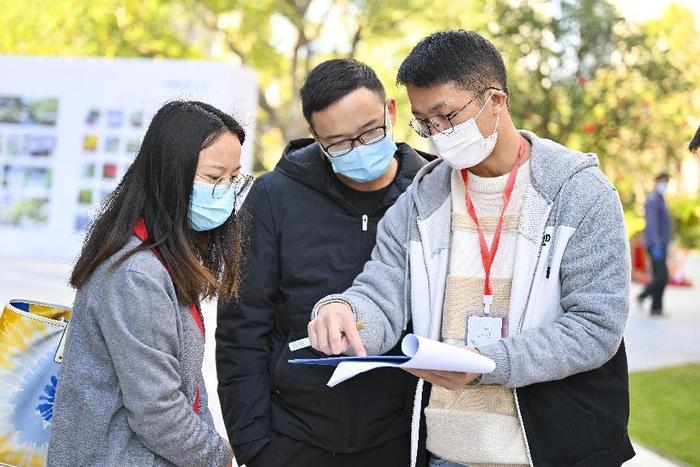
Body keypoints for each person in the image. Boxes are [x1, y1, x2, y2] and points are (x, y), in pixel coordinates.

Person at [309, 30, 634, 467]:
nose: (436, 135)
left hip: (557, 449)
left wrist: (488, 362)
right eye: (424, 122)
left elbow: (595, 328)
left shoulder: (578, 193)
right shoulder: (422, 199)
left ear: (495, 101)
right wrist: (344, 312)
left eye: (446, 116)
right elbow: (380, 292)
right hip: (449, 452)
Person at [216, 59, 429, 467]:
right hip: (293, 439)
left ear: (391, 111)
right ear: (315, 136)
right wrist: (255, 446)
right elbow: (241, 330)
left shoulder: (431, 192)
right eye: (340, 143)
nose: (359, 150)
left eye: (369, 132)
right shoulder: (273, 199)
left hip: (401, 438)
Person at [48, 101, 252, 466]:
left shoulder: (158, 259)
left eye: (233, 179)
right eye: (213, 178)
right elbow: (156, 410)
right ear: (169, 174)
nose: (225, 192)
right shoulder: (136, 273)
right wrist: (217, 455)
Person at [638, 173, 672, 315]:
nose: (665, 185)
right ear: (657, 182)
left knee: (661, 276)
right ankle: (643, 296)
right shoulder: (653, 200)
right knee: (662, 276)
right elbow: (652, 224)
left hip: (661, 243)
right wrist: (657, 244)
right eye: (663, 181)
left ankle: (656, 307)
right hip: (655, 244)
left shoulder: (660, 199)